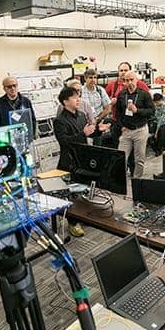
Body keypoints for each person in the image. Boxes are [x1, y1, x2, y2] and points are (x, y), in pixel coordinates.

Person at [53, 87, 110, 237]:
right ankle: (72, 223)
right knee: (71, 194)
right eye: (74, 97)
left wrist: (99, 130)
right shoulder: (59, 121)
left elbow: (89, 133)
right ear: (65, 101)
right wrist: (82, 133)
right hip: (69, 161)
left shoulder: (82, 115)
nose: (78, 99)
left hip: (83, 159)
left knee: (83, 190)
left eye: (78, 96)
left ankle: (81, 216)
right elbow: (64, 142)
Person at [115, 71, 154, 179]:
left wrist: (137, 111)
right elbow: (118, 113)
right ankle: (119, 181)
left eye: (132, 79)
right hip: (126, 130)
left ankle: (137, 180)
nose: (130, 82)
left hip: (140, 130)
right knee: (121, 157)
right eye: (127, 80)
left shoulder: (144, 94)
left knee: (139, 159)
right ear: (124, 82)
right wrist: (121, 126)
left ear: (136, 80)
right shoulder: (122, 94)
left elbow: (151, 111)